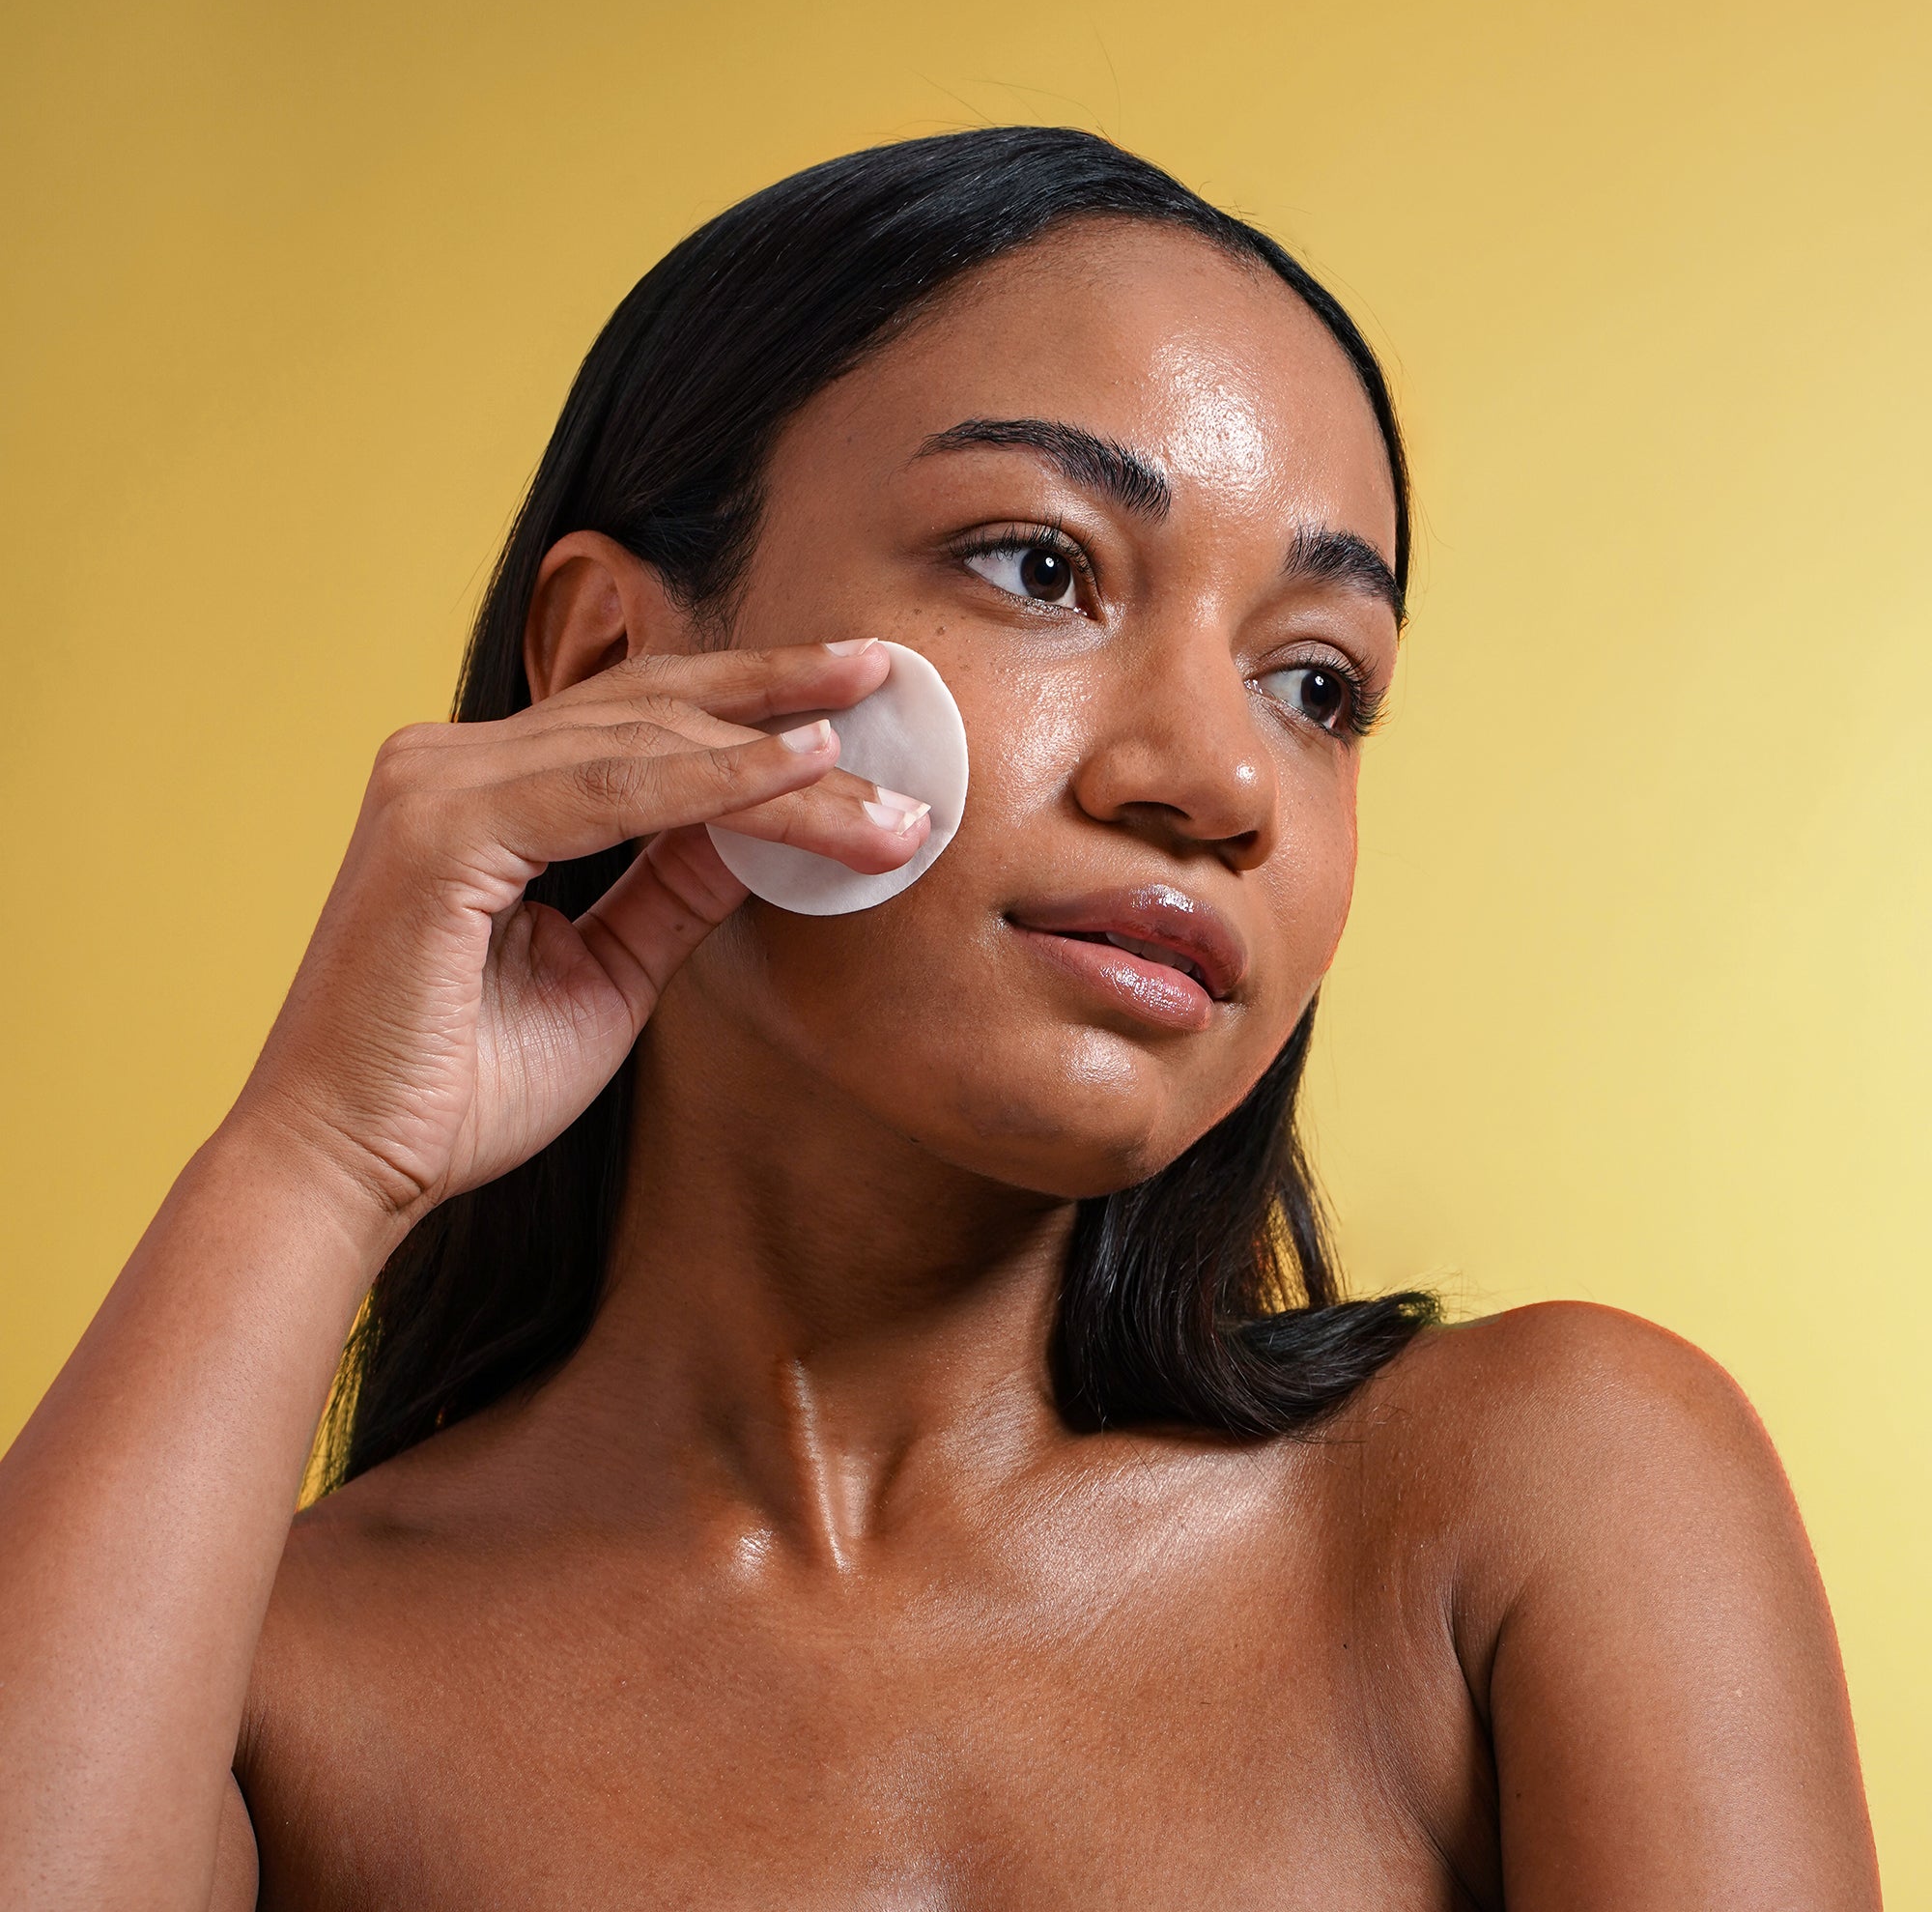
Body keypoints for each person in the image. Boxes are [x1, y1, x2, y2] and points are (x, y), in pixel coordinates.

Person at [0, 127, 1880, 1910]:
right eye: (1041, 564)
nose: (1224, 778)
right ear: (612, 662)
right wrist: (317, 1155)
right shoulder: (264, 1681)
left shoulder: (1534, 1506)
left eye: (1317, 682)